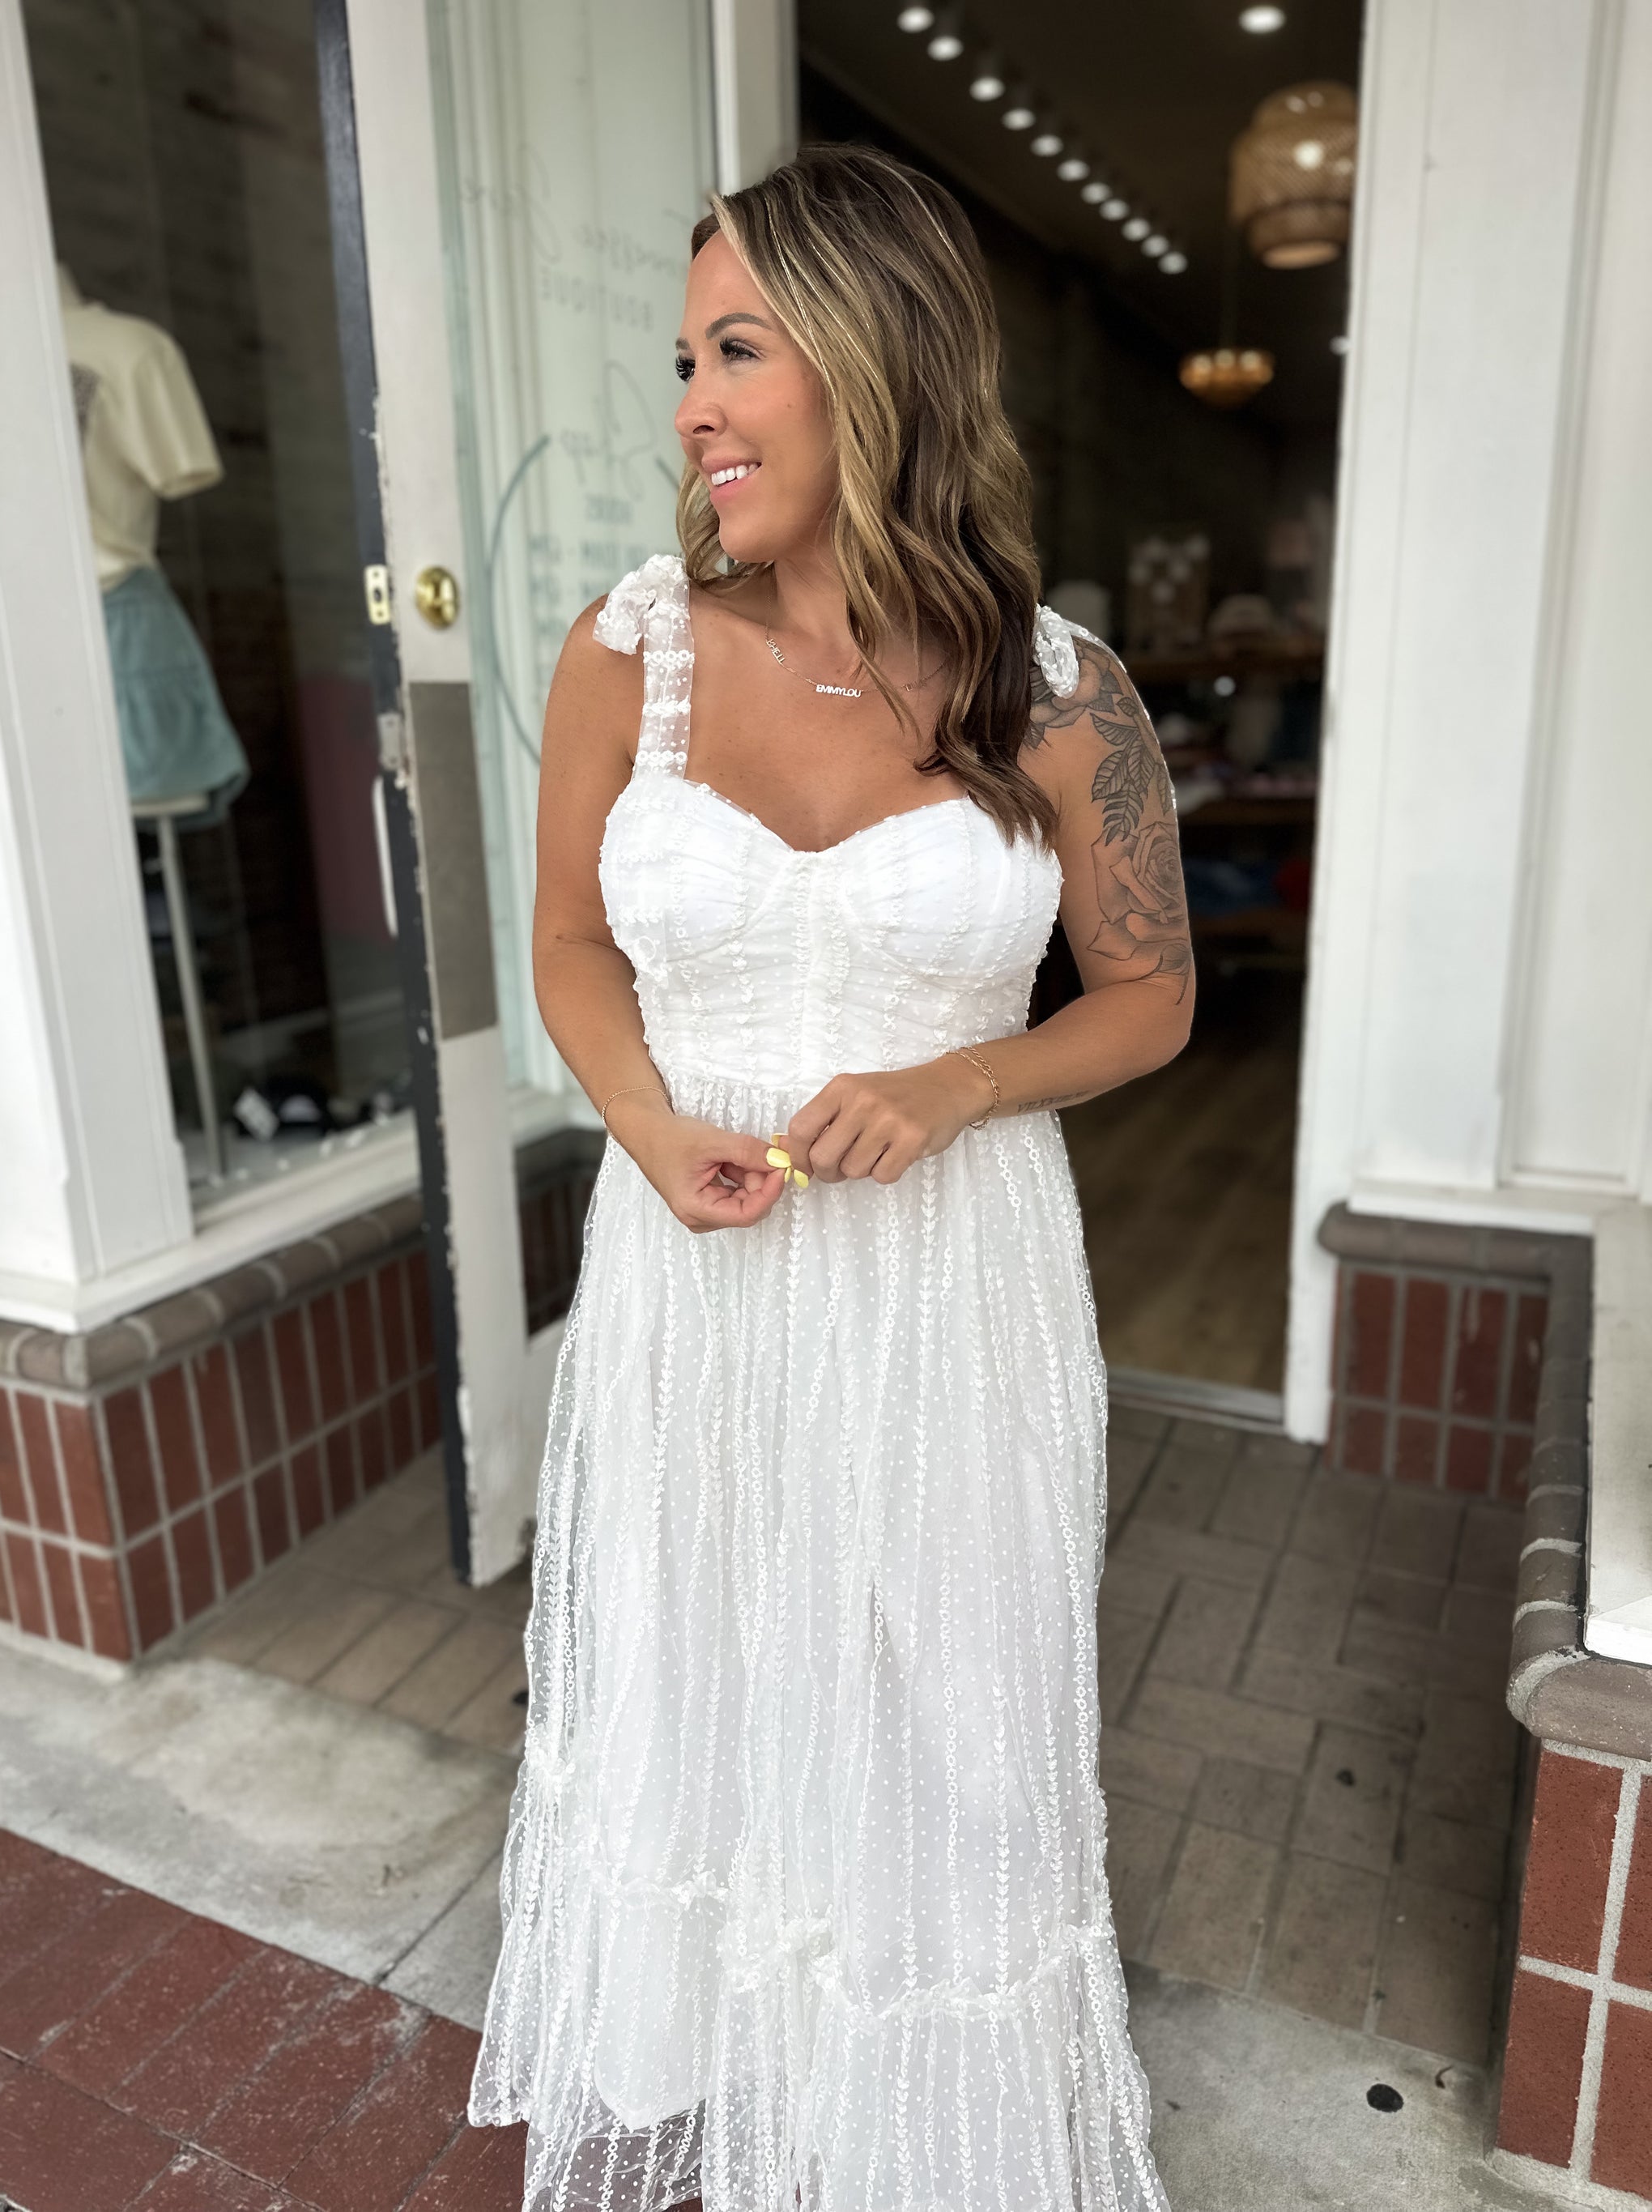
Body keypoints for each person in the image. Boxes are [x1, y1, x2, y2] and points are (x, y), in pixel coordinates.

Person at [468, 145, 1189, 2212]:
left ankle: (909, 2125)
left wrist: (964, 1080)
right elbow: (568, 942)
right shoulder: (626, 651)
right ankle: (736, 2059)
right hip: (693, 1273)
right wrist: (639, 1119)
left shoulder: (1060, 689)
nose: (690, 405)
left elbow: (1149, 996)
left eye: (737, 351)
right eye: (682, 359)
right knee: (701, 1659)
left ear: (878, 364)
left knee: (938, 1702)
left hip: (945, 1285)